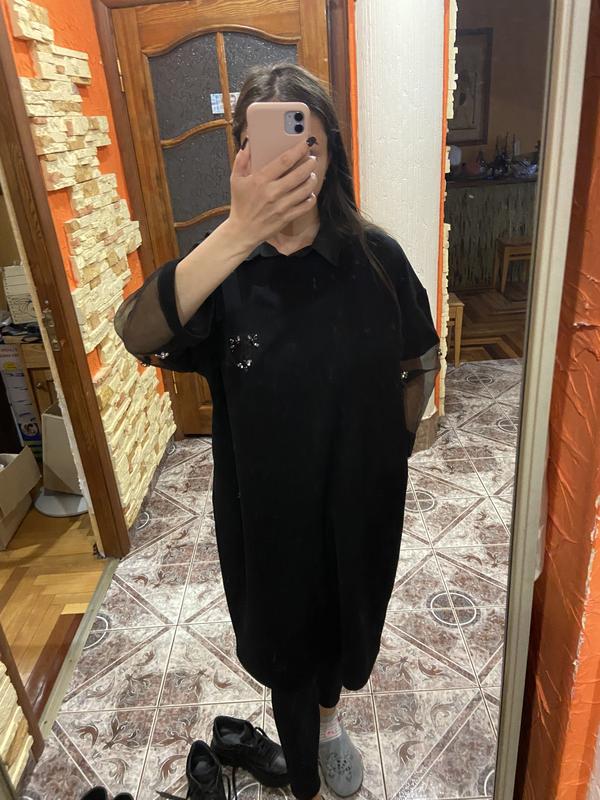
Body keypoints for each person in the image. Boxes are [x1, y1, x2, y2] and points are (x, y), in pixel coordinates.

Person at [115, 63, 440, 800]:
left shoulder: (378, 261)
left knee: (345, 635)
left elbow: (418, 358)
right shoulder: (222, 272)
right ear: (242, 157)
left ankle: (330, 721)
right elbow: (137, 333)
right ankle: (304, 777)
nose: (293, 161)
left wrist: (389, 453)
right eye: (269, 145)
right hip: (265, 517)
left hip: (358, 504)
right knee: (287, 652)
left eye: (310, 143)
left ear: (332, 152)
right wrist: (238, 232)